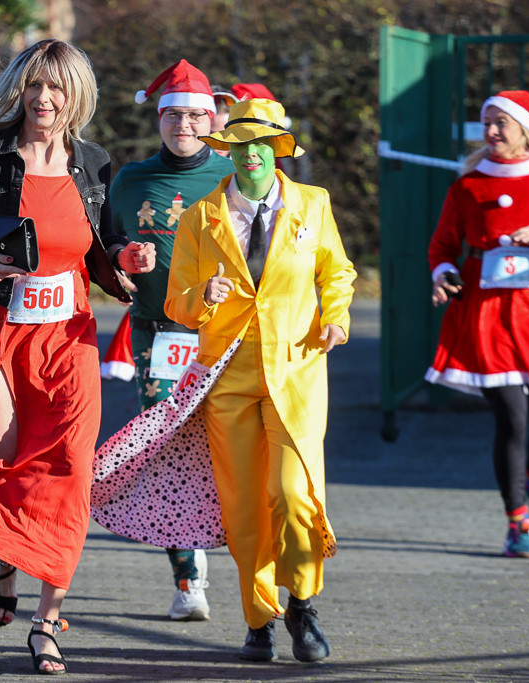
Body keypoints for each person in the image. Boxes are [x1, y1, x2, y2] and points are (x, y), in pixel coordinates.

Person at [0, 38, 155, 674]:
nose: (44, 99)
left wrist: (129, 265)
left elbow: (107, 256)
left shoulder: (96, 164)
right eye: (34, 87)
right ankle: (5, 569)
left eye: (56, 88)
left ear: (75, 95)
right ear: (20, 90)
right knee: (5, 465)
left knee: (71, 471)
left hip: (68, 338)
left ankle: (47, 621)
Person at [164, 98, 356, 663]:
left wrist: (336, 318)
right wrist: (205, 296)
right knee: (245, 506)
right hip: (228, 377)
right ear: (227, 152)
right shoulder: (201, 216)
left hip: (296, 370)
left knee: (293, 495)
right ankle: (258, 621)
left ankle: (302, 603)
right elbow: (177, 303)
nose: (250, 156)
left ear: (277, 151)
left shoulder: (312, 204)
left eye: (261, 146)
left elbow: (336, 270)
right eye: (240, 146)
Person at [427, 89, 529, 559]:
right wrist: (445, 275)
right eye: (488, 122)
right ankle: (517, 521)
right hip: (485, 315)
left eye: (502, 122)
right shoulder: (467, 186)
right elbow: (442, 247)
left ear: (526, 130)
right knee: (512, 422)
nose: (492, 131)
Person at [110, 59, 234, 621]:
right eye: (172, 115)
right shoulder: (130, 180)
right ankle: (188, 578)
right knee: (167, 448)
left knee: (234, 444)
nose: (182, 124)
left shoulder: (234, 177)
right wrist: (123, 263)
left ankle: (259, 563)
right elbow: (102, 253)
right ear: (158, 120)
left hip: (228, 334)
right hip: (158, 333)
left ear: (211, 119)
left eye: (194, 115)